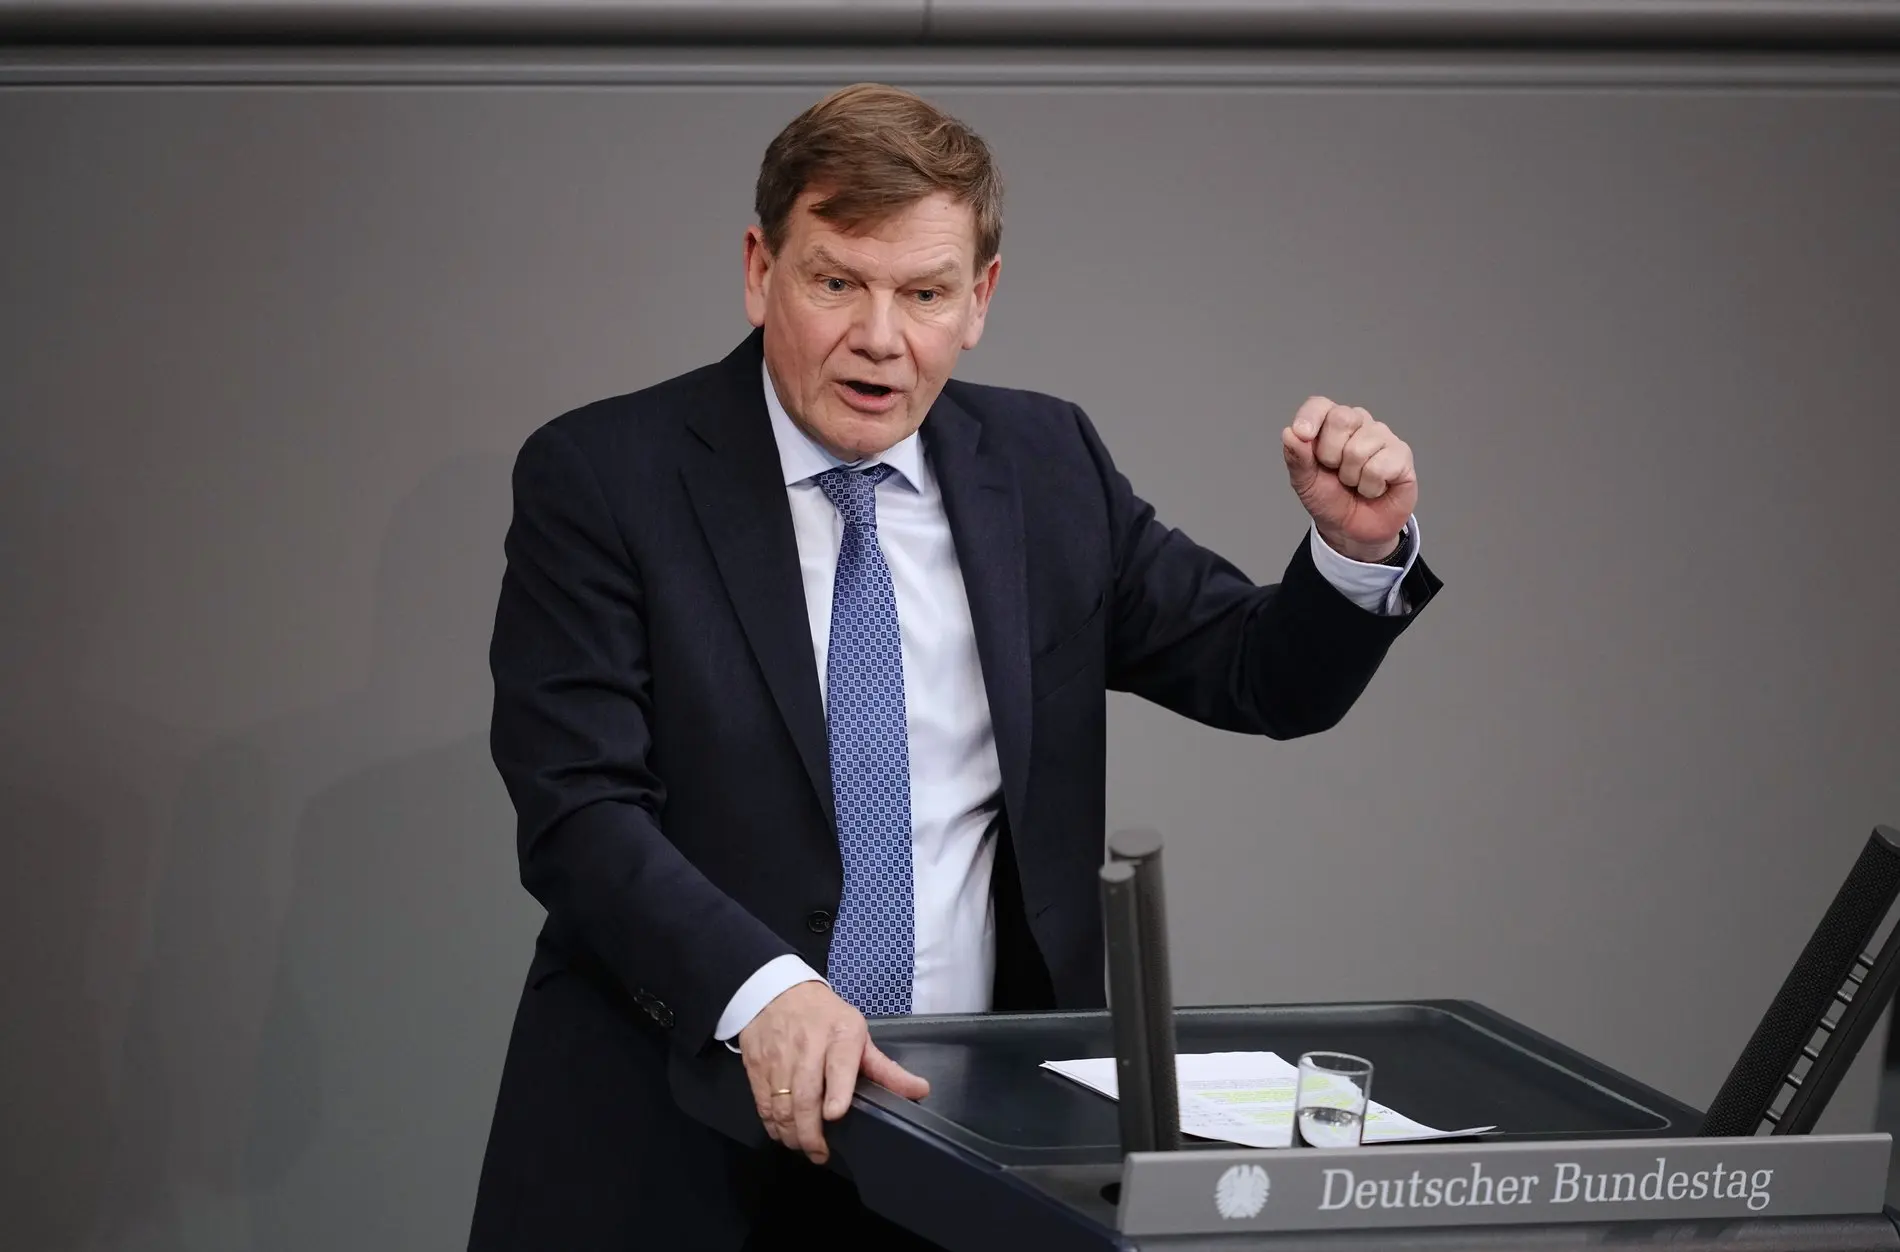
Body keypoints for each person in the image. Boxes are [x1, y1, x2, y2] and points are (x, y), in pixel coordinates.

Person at [469, 82, 1440, 1251]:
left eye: (922, 293)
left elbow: (1256, 674)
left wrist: (1353, 548)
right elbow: (578, 811)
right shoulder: (605, 477)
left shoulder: (1044, 466)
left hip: (972, 1152)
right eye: (837, 281)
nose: (880, 336)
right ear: (757, 267)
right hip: (674, 1133)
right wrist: (767, 993)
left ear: (977, 299)